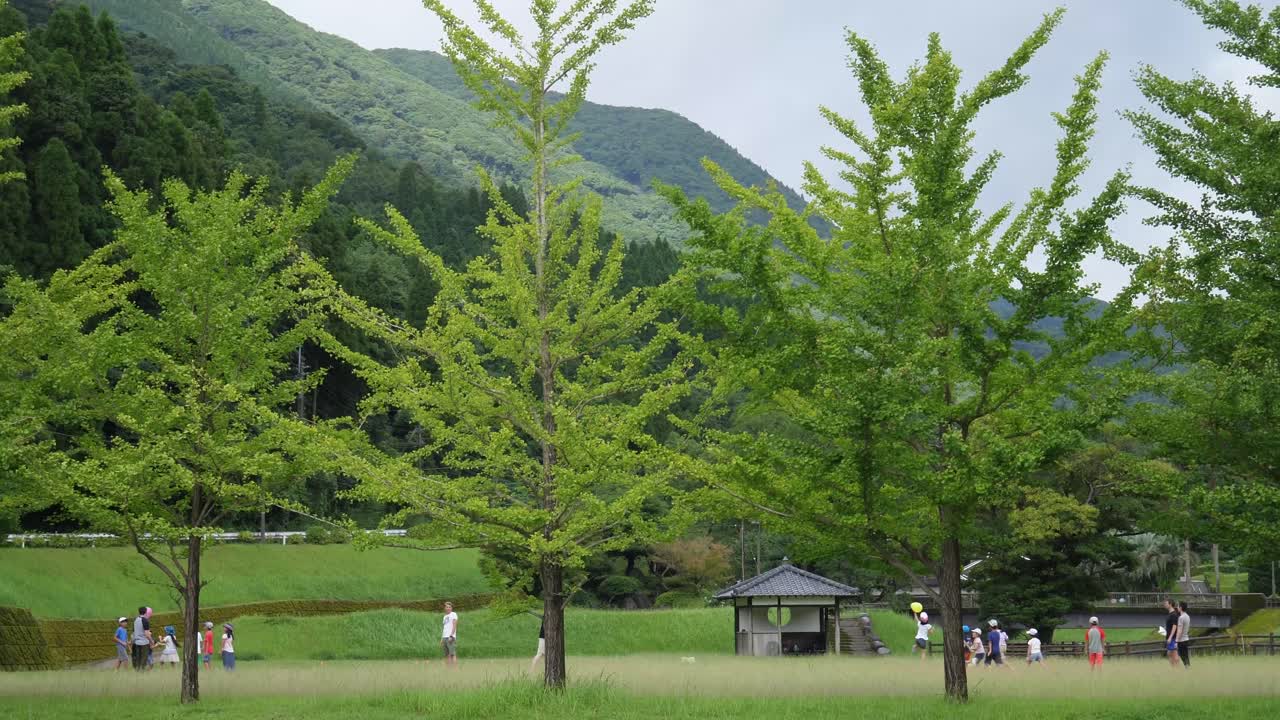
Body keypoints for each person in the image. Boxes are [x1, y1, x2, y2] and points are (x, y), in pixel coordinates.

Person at [131, 606, 152, 671]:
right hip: (144, 642)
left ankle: (137, 670)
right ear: (146, 612)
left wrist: (132, 641)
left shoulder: (136, 620)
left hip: (137, 642)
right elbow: (147, 634)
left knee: (138, 657)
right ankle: (142, 671)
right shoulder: (145, 620)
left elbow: (134, 632)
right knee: (144, 658)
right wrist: (151, 641)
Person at [441, 602, 459, 668]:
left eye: (449, 607)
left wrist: (451, 636)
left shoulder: (453, 614)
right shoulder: (444, 616)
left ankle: (454, 669)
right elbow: (444, 628)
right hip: (444, 637)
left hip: (450, 637)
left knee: (452, 654)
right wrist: (442, 639)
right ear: (445, 608)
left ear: (451, 608)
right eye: (447, 607)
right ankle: (448, 668)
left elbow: (454, 625)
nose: (448, 608)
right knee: (446, 655)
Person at [1163, 599, 1180, 668]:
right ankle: (1174, 668)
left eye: (1166, 603)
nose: (1164, 604)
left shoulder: (1174, 614)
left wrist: (1170, 637)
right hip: (1170, 637)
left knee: (1174, 654)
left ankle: (1177, 670)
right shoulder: (1170, 614)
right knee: (1169, 653)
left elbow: (1174, 626)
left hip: (1173, 638)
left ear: (1170, 604)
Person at [1177, 601, 1192, 668]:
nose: (1177, 607)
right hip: (1186, 639)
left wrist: (1177, 639)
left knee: (1182, 655)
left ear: (1181, 607)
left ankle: (1187, 667)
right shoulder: (1188, 616)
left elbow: (1180, 630)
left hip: (1181, 640)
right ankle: (1188, 667)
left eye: (1178, 606)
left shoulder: (1181, 618)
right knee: (1186, 655)